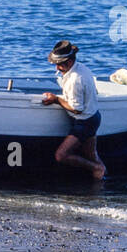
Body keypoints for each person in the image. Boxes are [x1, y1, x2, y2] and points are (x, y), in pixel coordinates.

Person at [40, 38, 105, 181]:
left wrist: (56, 99)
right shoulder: (81, 67)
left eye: (59, 65)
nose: (57, 68)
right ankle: (99, 179)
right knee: (91, 155)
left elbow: (77, 110)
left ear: (69, 62)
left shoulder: (75, 80)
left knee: (61, 155)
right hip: (94, 116)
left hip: (84, 122)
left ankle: (96, 169)